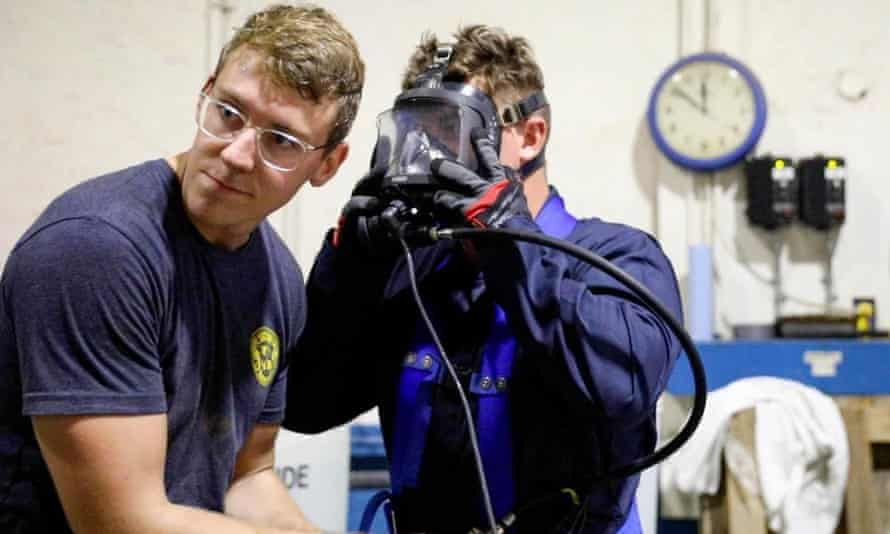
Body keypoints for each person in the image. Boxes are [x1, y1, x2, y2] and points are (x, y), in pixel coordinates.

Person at [284, 24, 683, 534]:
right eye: (418, 130)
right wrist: (349, 274)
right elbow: (305, 404)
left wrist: (508, 241)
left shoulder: (619, 258)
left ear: (531, 135)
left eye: (452, 128)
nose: (431, 151)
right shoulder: (418, 273)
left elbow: (621, 387)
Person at [0, 4, 363, 533]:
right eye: (229, 113)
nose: (237, 153)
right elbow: (120, 523)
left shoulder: (278, 281)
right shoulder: (97, 250)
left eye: (280, 141)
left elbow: (247, 475)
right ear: (206, 91)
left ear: (327, 165)